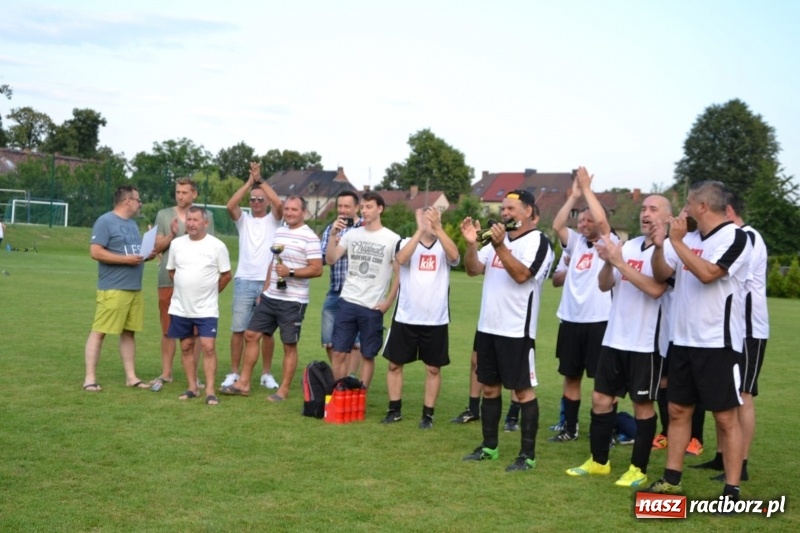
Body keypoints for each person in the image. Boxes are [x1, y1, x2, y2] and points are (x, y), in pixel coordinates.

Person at [647, 180, 750, 502]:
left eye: (688, 204)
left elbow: (708, 274)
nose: (684, 211)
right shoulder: (688, 239)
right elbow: (664, 275)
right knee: (677, 411)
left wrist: (676, 242)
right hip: (682, 340)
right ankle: (671, 478)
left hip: (718, 343)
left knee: (724, 416)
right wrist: (662, 245)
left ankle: (731, 489)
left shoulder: (735, 237)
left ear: (702, 206)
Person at [565, 193, 673, 488]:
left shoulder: (670, 252)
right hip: (615, 339)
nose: (646, 213)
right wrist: (609, 263)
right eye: (643, 208)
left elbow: (655, 289)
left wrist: (620, 263)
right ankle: (599, 462)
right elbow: (603, 285)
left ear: (666, 217)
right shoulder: (629, 246)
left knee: (642, 405)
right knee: (600, 399)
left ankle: (638, 469)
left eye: (653, 209)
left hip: (646, 343)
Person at [460, 189, 554, 472]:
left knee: (523, 392)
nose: (505, 213)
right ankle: (489, 447)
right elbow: (473, 269)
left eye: (511, 208)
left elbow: (523, 275)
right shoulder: (494, 239)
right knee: (489, 389)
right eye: (503, 208)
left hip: (517, 331)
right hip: (488, 327)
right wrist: (472, 245)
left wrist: (500, 246)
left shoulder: (538, 242)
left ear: (528, 212)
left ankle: (527, 455)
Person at [691, 191, 769, 482]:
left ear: (727, 209)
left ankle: (741, 463)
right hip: (730, 329)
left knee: (743, 394)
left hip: (748, 328)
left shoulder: (745, 237)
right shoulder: (722, 236)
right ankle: (723, 457)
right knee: (726, 396)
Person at [221, 196, 322, 401]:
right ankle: (244, 383)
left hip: (293, 300)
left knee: (288, 345)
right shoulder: (280, 231)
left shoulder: (310, 237)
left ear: (304, 212)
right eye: (287, 209)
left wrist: (291, 272)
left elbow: (317, 269)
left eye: (294, 209)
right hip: (270, 297)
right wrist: (265, 290)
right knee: (250, 335)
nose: (290, 213)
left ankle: (283, 390)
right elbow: (273, 262)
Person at [550, 167, 617, 442]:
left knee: (604, 382)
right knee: (571, 377)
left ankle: (608, 430)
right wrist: (574, 196)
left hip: (599, 322)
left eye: (587, 220)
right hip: (571, 320)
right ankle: (570, 427)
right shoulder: (576, 244)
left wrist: (588, 192)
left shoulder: (608, 242)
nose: (582, 224)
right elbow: (556, 226)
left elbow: (602, 223)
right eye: (580, 220)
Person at [381, 207, 460, 428]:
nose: (431, 222)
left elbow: (455, 257)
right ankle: (394, 410)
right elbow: (401, 259)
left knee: (433, 369)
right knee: (395, 365)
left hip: (435, 319)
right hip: (406, 316)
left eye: (436, 218)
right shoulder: (406, 241)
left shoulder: (444, 245)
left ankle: (428, 415)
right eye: (428, 218)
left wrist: (438, 228)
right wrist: (419, 231)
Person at [83, 185, 155, 391]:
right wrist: (125, 260)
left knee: (129, 333)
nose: (140, 204)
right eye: (138, 200)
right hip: (113, 288)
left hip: (134, 288)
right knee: (99, 332)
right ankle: (89, 379)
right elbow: (95, 252)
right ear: (127, 201)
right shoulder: (105, 221)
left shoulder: (132, 224)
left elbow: (133, 254)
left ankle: (131, 377)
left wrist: (146, 255)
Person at [326, 190, 400, 389]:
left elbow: (398, 275)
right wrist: (333, 234)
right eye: (363, 207)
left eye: (369, 207)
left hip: (372, 307)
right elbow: (331, 259)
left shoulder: (392, 239)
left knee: (368, 354)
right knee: (340, 352)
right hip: (348, 301)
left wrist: (387, 303)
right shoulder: (351, 234)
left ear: (380, 209)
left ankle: (360, 395)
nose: (365, 211)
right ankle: (338, 393)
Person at [221, 162, 283, 391]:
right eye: (253, 199)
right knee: (238, 329)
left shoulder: (274, 220)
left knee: (266, 332)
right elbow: (230, 205)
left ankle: (266, 374)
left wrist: (261, 181)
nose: (256, 202)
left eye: (260, 198)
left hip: (269, 281)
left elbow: (278, 203)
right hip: (244, 280)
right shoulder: (243, 221)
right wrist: (249, 182)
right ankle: (234, 373)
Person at [150, 177, 215, 391]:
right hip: (167, 280)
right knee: (168, 328)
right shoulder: (164, 215)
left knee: (196, 331)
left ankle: (194, 376)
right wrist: (171, 233)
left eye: (185, 192)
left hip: (197, 285)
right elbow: (156, 247)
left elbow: (210, 246)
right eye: (178, 192)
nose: (180, 196)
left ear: (194, 194)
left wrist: (191, 232)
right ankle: (166, 373)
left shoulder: (206, 217)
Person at [166, 206, 232, 405]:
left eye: (196, 220)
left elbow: (226, 275)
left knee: (208, 347)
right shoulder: (176, 244)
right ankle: (192, 387)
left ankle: (210, 391)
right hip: (180, 307)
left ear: (206, 223)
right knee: (186, 346)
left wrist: (211, 292)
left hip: (206, 308)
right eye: (189, 219)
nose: (192, 223)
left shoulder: (217, 246)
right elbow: (171, 271)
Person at [320, 190, 363, 375]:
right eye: (340, 206)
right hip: (335, 291)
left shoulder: (366, 228)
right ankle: (341, 376)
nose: (343, 210)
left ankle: (350, 379)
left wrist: (343, 246)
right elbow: (324, 258)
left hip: (357, 294)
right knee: (328, 341)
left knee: (355, 344)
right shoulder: (332, 228)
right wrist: (333, 238)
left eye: (347, 206)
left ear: (356, 207)